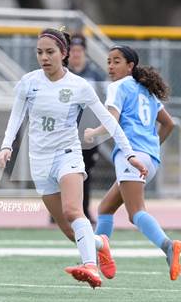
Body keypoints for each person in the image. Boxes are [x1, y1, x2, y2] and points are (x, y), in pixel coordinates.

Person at [0, 28, 148, 288]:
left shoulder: (79, 86)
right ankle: (100, 243)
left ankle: (90, 266)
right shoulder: (29, 83)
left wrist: (130, 154)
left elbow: (108, 121)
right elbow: (16, 117)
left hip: (67, 155)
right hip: (39, 161)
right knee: (67, 229)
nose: (44, 57)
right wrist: (6, 146)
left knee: (72, 211)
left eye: (50, 52)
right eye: (40, 52)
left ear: (64, 54)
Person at [84, 45, 181, 281]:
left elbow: (111, 124)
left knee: (135, 212)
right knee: (105, 208)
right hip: (149, 160)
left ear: (131, 66)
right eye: (108, 61)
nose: (110, 66)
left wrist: (91, 132)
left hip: (131, 157)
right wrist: (151, 148)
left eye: (116, 61)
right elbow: (169, 124)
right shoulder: (145, 90)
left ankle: (168, 245)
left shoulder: (117, 87)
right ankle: (98, 258)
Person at [68, 33, 106, 224]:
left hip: (87, 134)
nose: (75, 54)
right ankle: (59, 211)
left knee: (85, 173)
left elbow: (102, 102)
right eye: (72, 50)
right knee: (62, 173)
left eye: (79, 50)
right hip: (65, 133)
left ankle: (83, 210)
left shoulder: (94, 75)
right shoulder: (63, 73)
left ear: (84, 52)